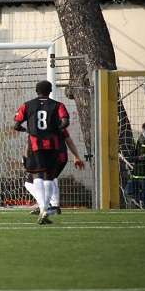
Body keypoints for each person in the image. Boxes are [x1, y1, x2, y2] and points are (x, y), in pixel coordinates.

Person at [14, 80, 69, 225]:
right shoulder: (58, 105)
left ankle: (43, 208)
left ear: (36, 91)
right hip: (53, 145)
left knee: (36, 175)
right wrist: (56, 129)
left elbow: (16, 125)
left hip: (35, 145)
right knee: (49, 176)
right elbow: (65, 122)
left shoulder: (27, 105)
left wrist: (26, 130)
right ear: (50, 91)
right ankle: (47, 208)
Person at [28, 128, 85, 216]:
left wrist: (30, 157)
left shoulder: (38, 125)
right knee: (50, 178)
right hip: (62, 158)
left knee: (30, 182)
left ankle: (48, 205)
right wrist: (76, 156)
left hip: (50, 157)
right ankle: (53, 205)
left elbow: (33, 142)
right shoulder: (58, 123)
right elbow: (68, 140)